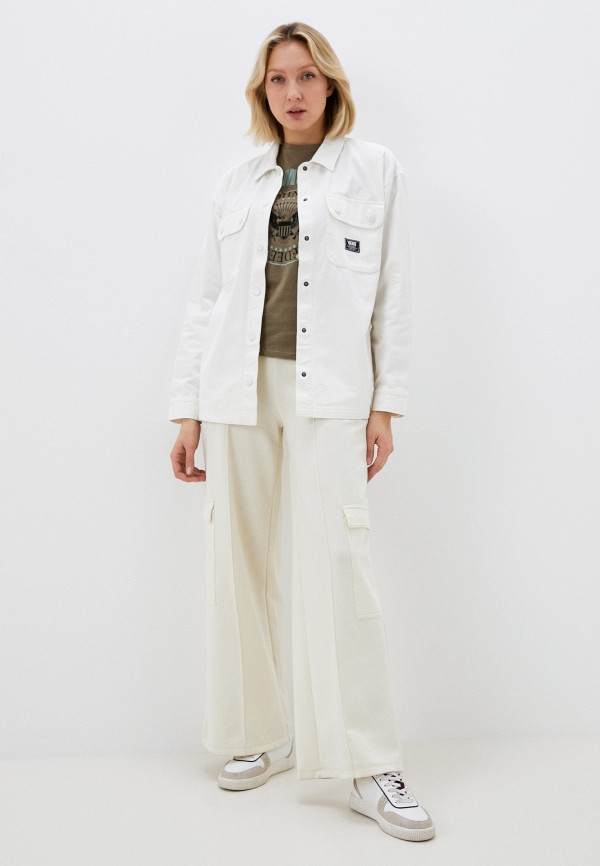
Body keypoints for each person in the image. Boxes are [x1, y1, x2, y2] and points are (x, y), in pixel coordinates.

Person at [167, 21, 435, 843]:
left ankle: (366, 763)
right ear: (263, 91)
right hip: (234, 389)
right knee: (237, 562)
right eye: (278, 79)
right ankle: (260, 732)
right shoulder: (238, 181)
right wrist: (187, 408)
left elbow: (393, 292)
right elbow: (208, 300)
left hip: (332, 391)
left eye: (307, 77)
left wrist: (386, 403)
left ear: (331, 86)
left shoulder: (374, 169)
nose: (293, 92)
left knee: (339, 564)